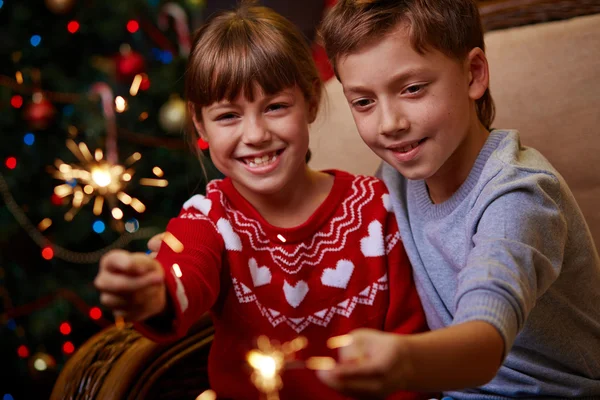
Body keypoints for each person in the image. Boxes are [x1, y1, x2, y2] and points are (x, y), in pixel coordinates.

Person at [93, 3, 431, 400]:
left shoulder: (377, 208)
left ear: (311, 103)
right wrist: (154, 294)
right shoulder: (208, 219)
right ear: (200, 124)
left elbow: (409, 357)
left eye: (275, 107)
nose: (254, 134)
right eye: (228, 116)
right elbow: (183, 273)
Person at [313, 0, 600, 398]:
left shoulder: (518, 195)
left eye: (412, 89)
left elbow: (484, 343)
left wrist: (404, 360)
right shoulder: (397, 177)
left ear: (473, 74)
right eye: (364, 101)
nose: (389, 123)